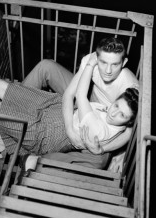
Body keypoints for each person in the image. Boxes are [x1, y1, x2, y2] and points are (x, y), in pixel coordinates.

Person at [0, 51, 138, 158]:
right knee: (3, 87)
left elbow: (81, 98)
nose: (114, 112)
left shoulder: (101, 126)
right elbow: (71, 96)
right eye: (116, 106)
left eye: (122, 115)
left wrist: (102, 150)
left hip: (51, 134)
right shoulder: (108, 109)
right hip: (56, 108)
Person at [22, 37, 139, 168]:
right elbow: (69, 94)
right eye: (103, 62)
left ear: (124, 62)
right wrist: (69, 129)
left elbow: (129, 131)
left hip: (109, 121)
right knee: (45, 66)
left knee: (100, 161)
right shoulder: (91, 60)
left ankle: (40, 161)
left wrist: (103, 149)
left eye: (115, 64)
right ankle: (13, 106)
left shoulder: (130, 86)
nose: (108, 70)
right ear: (97, 57)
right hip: (86, 97)